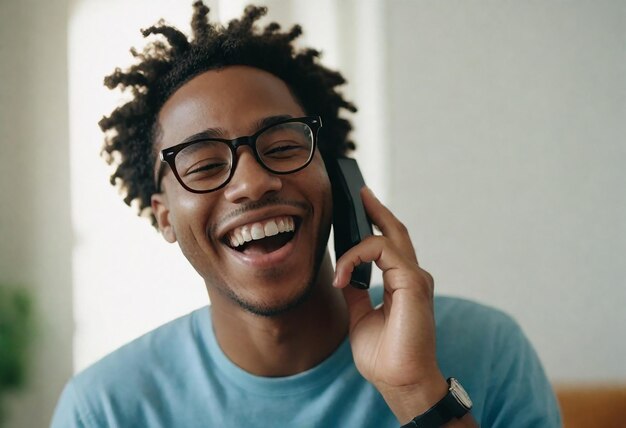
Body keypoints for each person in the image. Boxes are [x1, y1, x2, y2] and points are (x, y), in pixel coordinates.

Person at [51, 3, 561, 427]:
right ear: (164, 217)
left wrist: (415, 390)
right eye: (205, 165)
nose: (252, 183)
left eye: (283, 146)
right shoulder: (105, 409)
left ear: (338, 178)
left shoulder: (490, 349)